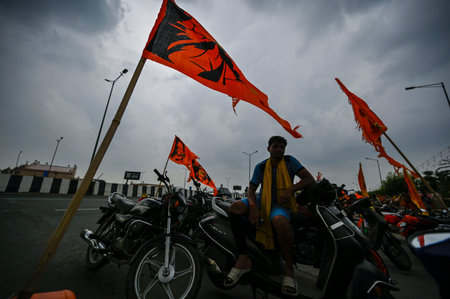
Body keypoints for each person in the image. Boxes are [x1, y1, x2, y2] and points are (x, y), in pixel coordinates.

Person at [224, 136, 315, 296]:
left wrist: (290, 190)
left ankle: (288, 270)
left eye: (282, 147)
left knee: (280, 222)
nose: (279, 149)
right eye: (276, 146)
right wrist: (252, 206)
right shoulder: (260, 167)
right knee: (235, 207)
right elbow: (251, 189)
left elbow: (309, 179)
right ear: (269, 148)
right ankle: (243, 257)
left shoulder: (290, 162)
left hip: (280, 205)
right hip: (261, 200)